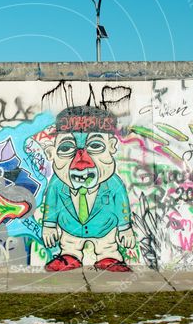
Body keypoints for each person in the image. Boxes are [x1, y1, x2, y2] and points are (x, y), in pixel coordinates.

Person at [40, 106, 135, 272]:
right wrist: (49, 225)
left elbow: (122, 205)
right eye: (66, 149)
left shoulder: (114, 184)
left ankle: (109, 256)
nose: (82, 162)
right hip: (70, 228)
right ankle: (70, 255)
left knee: (107, 246)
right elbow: (51, 204)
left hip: (105, 228)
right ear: (51, 153)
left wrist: (125, 228)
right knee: (69, 244)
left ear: (112, 146)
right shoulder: (56, 183)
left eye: (96, 146)